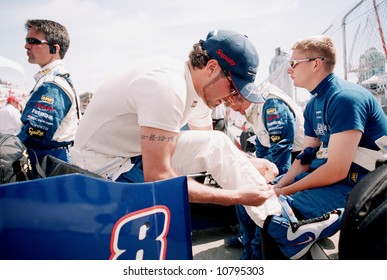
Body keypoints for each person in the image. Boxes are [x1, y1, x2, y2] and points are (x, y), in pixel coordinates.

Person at [71, 30, 343, 259]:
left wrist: (250, 162)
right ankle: (281, 224)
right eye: (233, 86)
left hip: (131, 153)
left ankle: (281, 224)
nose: (234, 96)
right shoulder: (167, 86)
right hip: (103, 167)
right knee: (176, 194)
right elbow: (159, 177)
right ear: (212, 67)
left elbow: (212, 148)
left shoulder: (199, 89)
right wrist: (236, 197)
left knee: (217, 141)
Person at [265, 35, 387, 259]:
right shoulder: (313, 104)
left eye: (293, 63)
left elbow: (336, 170)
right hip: (339, 178)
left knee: (276, 218)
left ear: (316, 63)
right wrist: (278, 185)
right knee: (265, 200)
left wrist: (282, 192)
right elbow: (306, 157)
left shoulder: (345, 98)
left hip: (362, 185)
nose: (289, 70)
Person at [226, 81, 305, 259]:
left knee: (259, 196)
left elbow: (282, 154)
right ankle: (247, 243)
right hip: (279, 158)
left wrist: (267, 183)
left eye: (233, 105)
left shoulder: (272, 105)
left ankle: (256, 253)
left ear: (238, 96)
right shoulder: (253, 107)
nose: (234, 110)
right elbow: (262, 148)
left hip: (297, 160)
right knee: (242, 191)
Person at [18, 19, 80, 164]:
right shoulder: (57, 78)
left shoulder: (52, 84)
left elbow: (35, 134)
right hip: (55, 159)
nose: (26, 46)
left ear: (54, 48)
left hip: (47, 163)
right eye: (27, 40)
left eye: (33, 41)